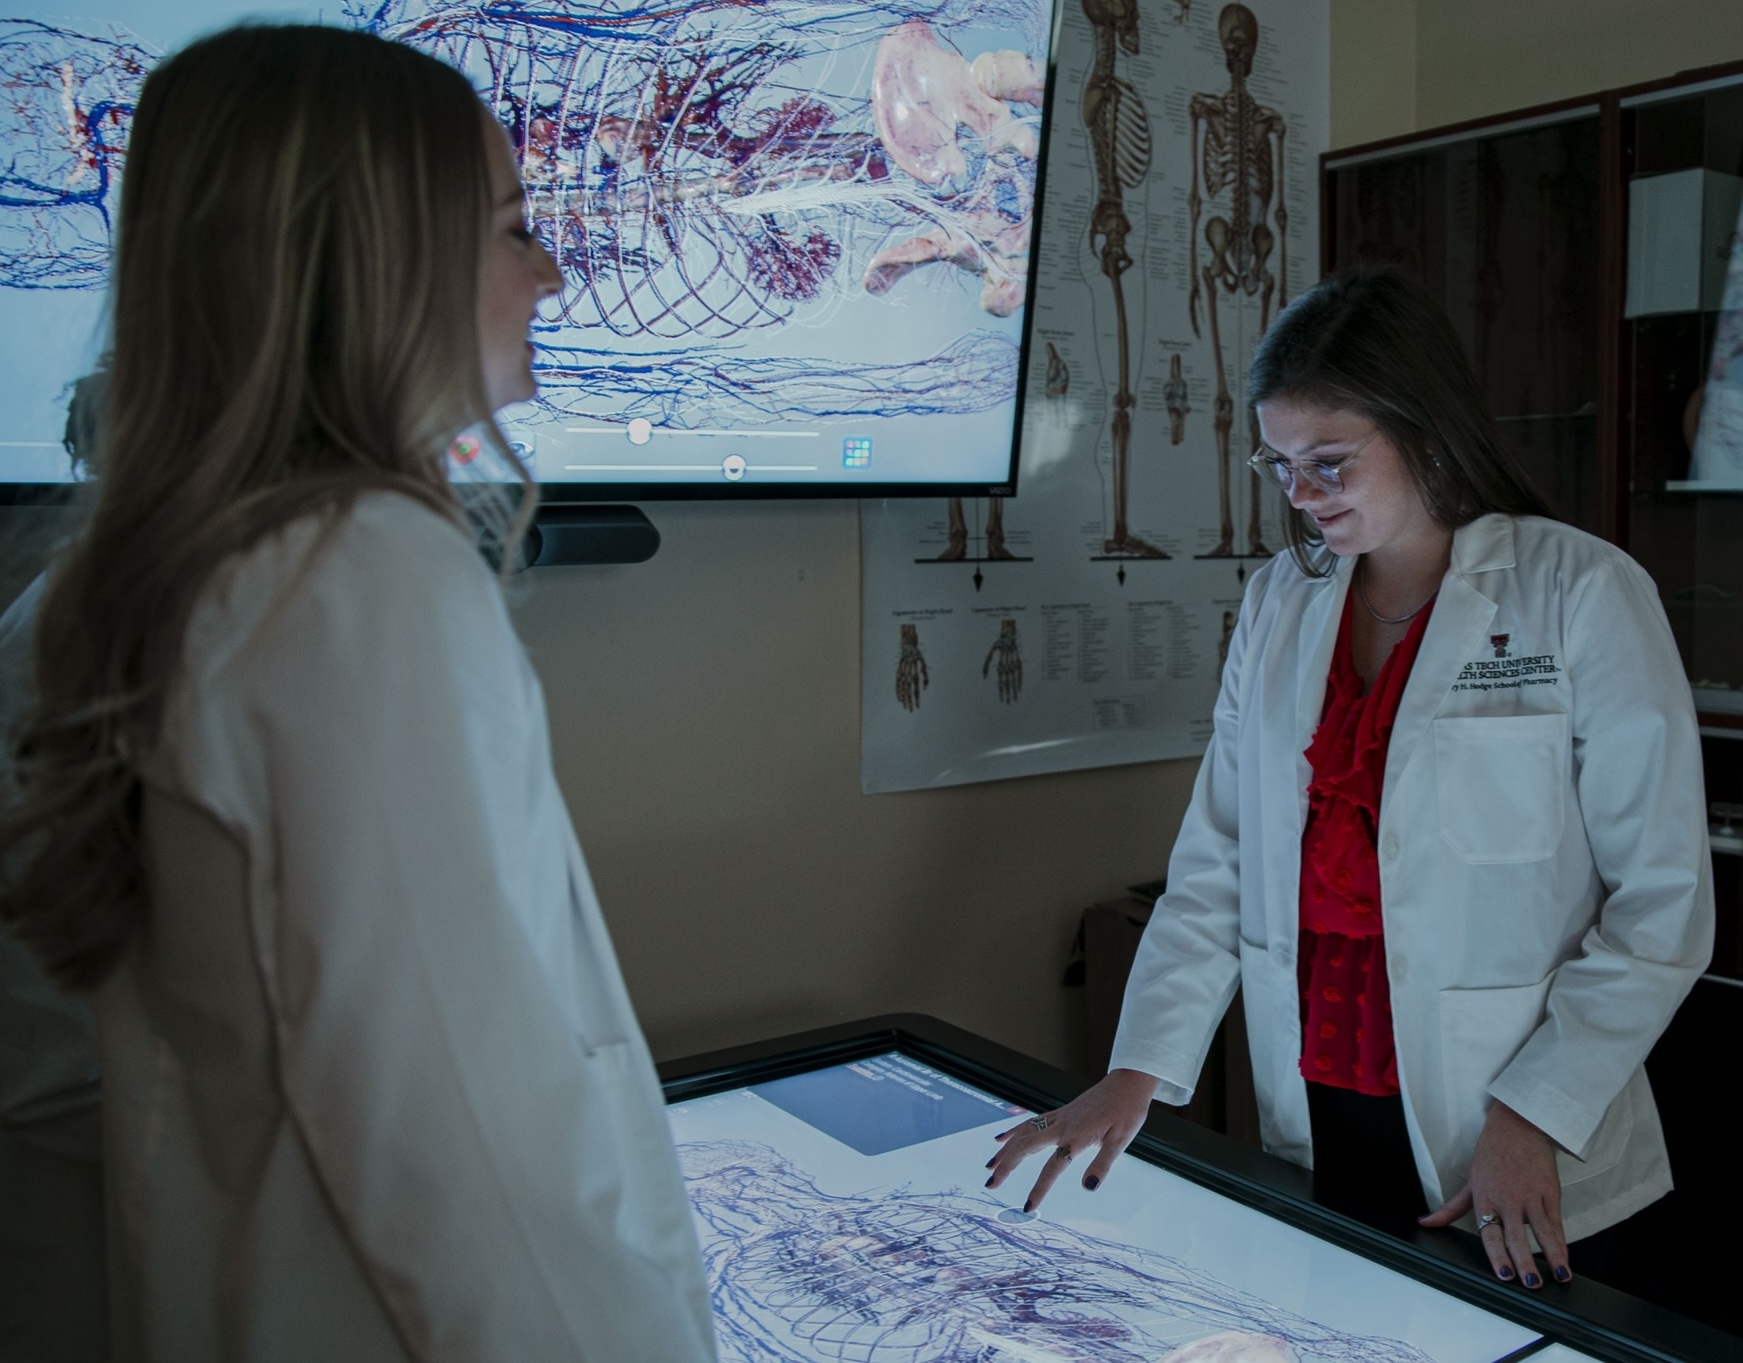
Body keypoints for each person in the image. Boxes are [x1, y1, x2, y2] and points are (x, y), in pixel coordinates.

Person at [0, 26, 717, 1361]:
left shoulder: (154, 579)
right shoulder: (355, 575)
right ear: (373, 262)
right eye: (511, 229)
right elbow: (457, 1149)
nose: (552, 275)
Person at [987, 269, 1714, 1292]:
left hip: (1523, 1124)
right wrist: (1135, 1071)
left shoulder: (1580, 592)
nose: (1302, 497)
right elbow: (1219, 860)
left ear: (1424, 428)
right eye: (1281, 466)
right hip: (1324, 1101)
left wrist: (1537, 1108)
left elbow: (1663, 903)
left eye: (1330, 463)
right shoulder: (1283, 601)